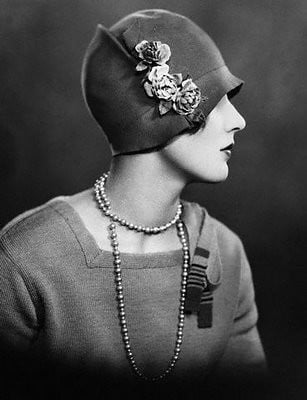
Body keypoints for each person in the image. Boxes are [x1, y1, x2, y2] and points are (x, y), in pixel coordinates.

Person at [0, 9, 267, 399]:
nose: (238, 120)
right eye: (215, 99)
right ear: (157, 116)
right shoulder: (28, 259)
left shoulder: (225, 252)